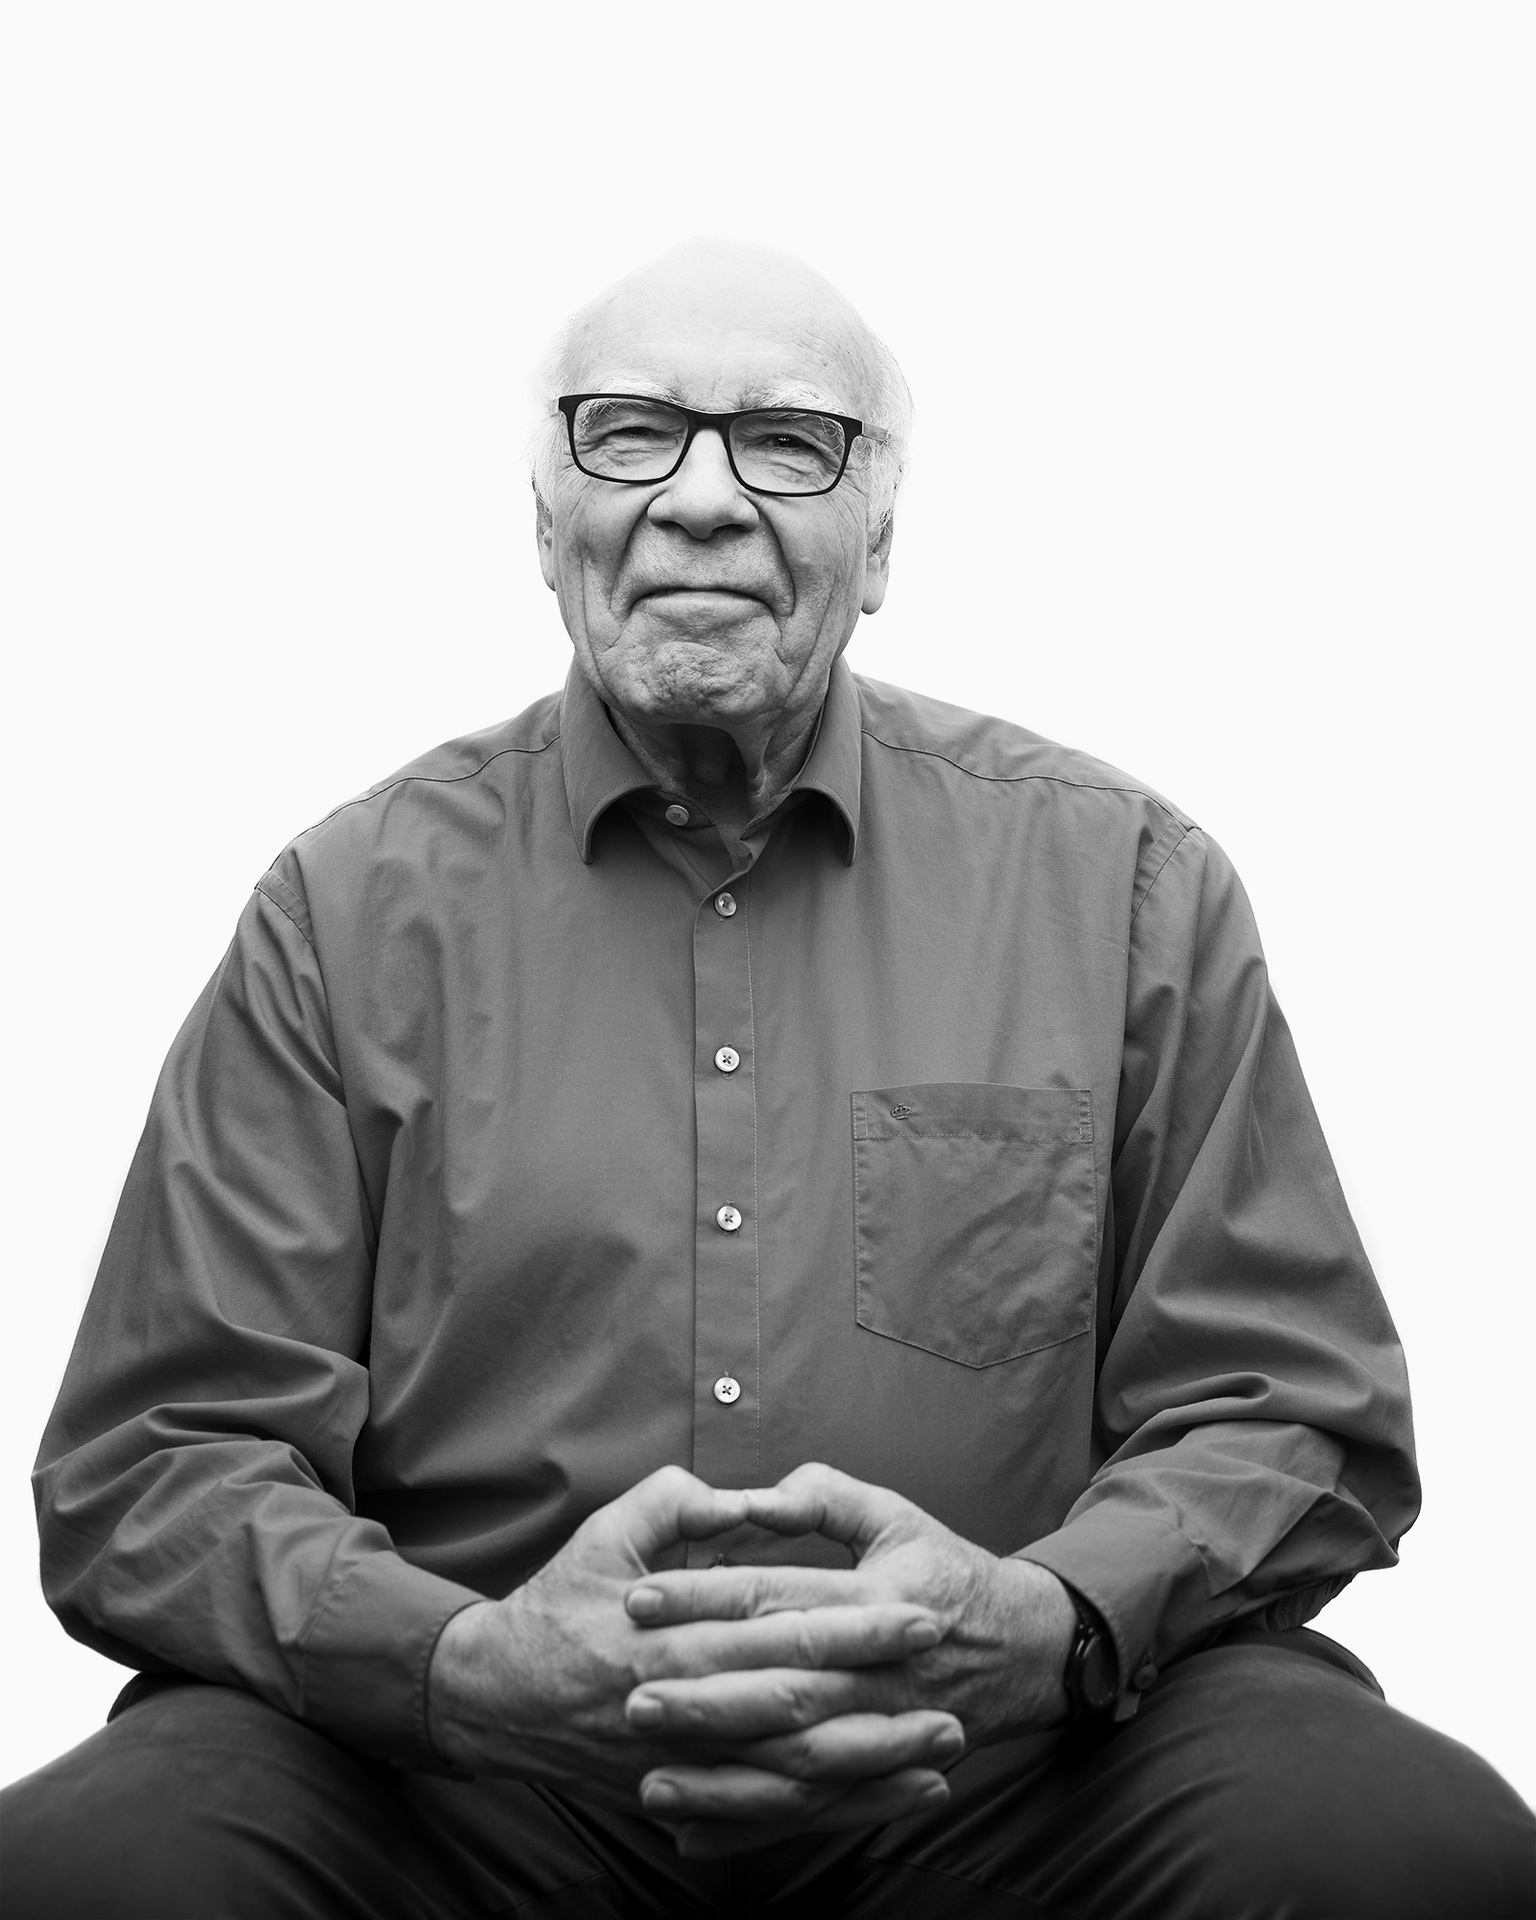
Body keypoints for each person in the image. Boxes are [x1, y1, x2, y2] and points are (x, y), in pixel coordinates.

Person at [5, 240, 1531, 1918]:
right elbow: (159, 1458)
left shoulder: (1123, 889)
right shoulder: (346, 912)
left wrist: (1046, 1623)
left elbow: (1289, 1403)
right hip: (476, 1796)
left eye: (789, 442)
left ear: (880, 540)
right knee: (96, 1868)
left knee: (1402, 1845)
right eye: (630, 433)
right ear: (545, 527)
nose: (702, 500)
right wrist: (463, 1664)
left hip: (1005, 1787)